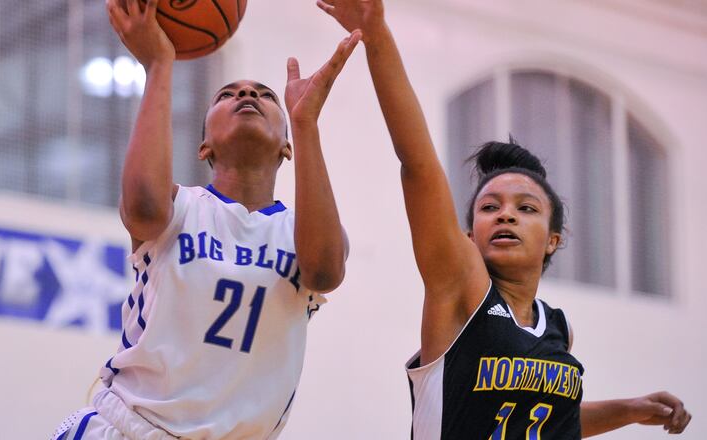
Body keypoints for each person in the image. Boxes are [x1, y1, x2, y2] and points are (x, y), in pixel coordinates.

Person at [317, 0, 692, 438]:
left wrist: (628, 409)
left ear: (554, 239)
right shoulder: (459, 288)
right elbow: (417, 164)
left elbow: (541, 418)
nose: (506, 215)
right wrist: (377, 34)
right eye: (490, 207)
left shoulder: (557, 327)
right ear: (469, 235)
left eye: (526, 208)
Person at [52, 0, 358, 438]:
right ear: (204, 147)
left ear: (285, 147)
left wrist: (305, 123)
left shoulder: (299, 231)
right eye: (227, 94)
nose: (248, 95)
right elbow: (140, 207)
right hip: (132, 428)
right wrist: (159, 64)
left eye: (265, 95)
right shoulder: (181, 207)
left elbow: (326, 271)